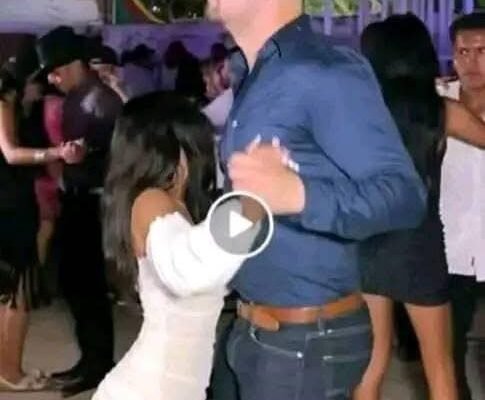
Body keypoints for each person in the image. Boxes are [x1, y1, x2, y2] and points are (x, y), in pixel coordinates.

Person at [206, 1, 427, 399]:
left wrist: (301, 195)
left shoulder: (323, 69)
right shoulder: (254, 73)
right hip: (249, 325)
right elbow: (255, 201)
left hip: (304, 342)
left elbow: (404, 195)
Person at [92, 92, 262, 400]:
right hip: (152, 389)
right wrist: (254, 201)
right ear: (178, 146)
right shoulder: (151, 200)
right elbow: (190, 270)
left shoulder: (175, 205)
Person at [355, 14, 485, 400]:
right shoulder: (440, 111)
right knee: (440, 370)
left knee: (371, 365)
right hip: (419, 245)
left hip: (367, 242)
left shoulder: (359, 113)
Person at [35, 26, 123, 397]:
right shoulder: (77, 96)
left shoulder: (101, 100)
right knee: (74, 283)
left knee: (88, 286)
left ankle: (99, 363)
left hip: (94, 200)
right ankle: (90, 359)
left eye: (55, 71)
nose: (52, 80)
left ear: (73, 64)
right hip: (76, 197)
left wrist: (89, 155)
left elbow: (121, 156)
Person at [0, 50, 79, 392]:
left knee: (10, 293)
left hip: (9, 201)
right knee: (20, 293)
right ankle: (10, 373)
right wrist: (55, 153)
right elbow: (10, 153)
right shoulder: (3, 99)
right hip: (10, 204)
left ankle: (6, 368)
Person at [438, 12, 485, 400]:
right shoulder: (435, 104)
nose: (472, 61)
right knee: (447, 352)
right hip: (449, 247)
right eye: (463, 52)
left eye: (483, 51)